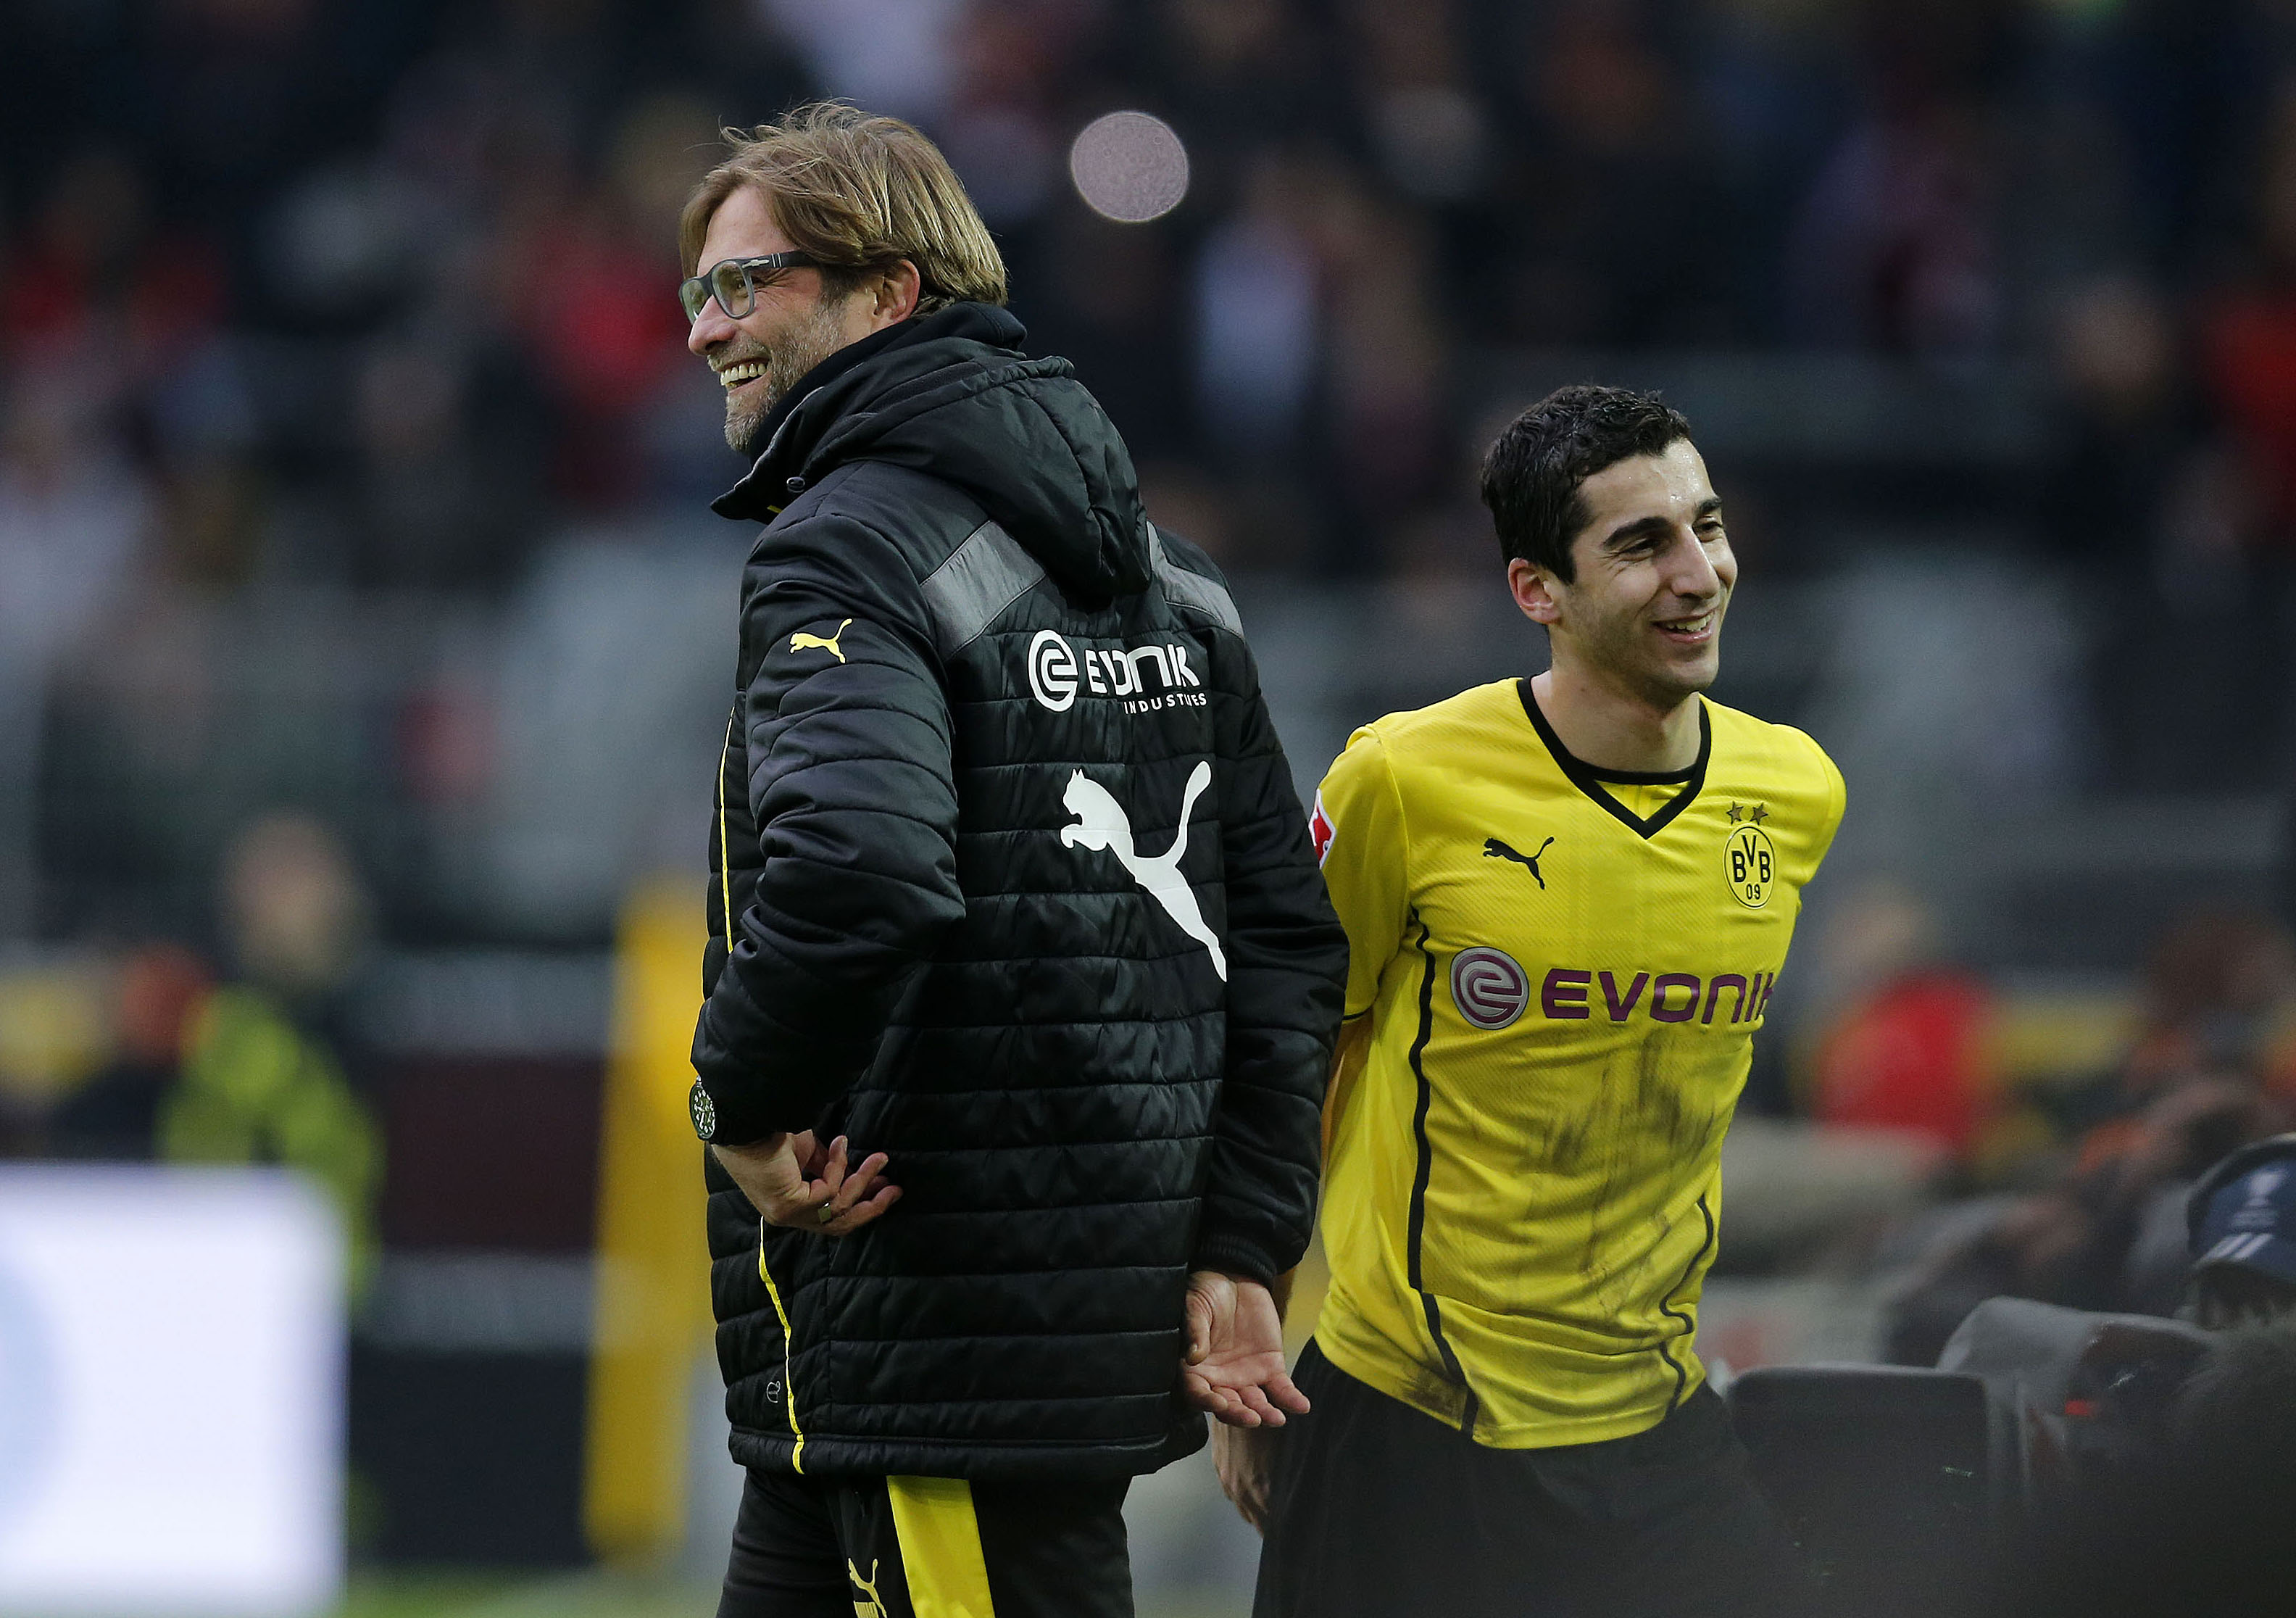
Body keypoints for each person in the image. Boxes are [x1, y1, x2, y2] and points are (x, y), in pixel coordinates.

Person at [675, 105, 1347, 1618]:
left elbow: (858, 867)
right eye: (697, 295)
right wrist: (1239, 1238)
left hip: (934, 1340)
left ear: (890, 292)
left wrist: (740, 1098)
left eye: (747, 285)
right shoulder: (1179, 581)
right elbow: (1288, 941)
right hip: (991, 1351)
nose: (711, 329)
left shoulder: (843, 548)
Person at [1230, 386, 1844, 1616]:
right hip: (1412, 1425)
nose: (1699, 574)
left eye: (1706, 527)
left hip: (1656, 1422)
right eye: (1641, 544)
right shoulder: (1404, 781)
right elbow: (1286, 1044)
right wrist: (1241, 1302)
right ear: (1536, 592)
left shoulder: (1794, 791)